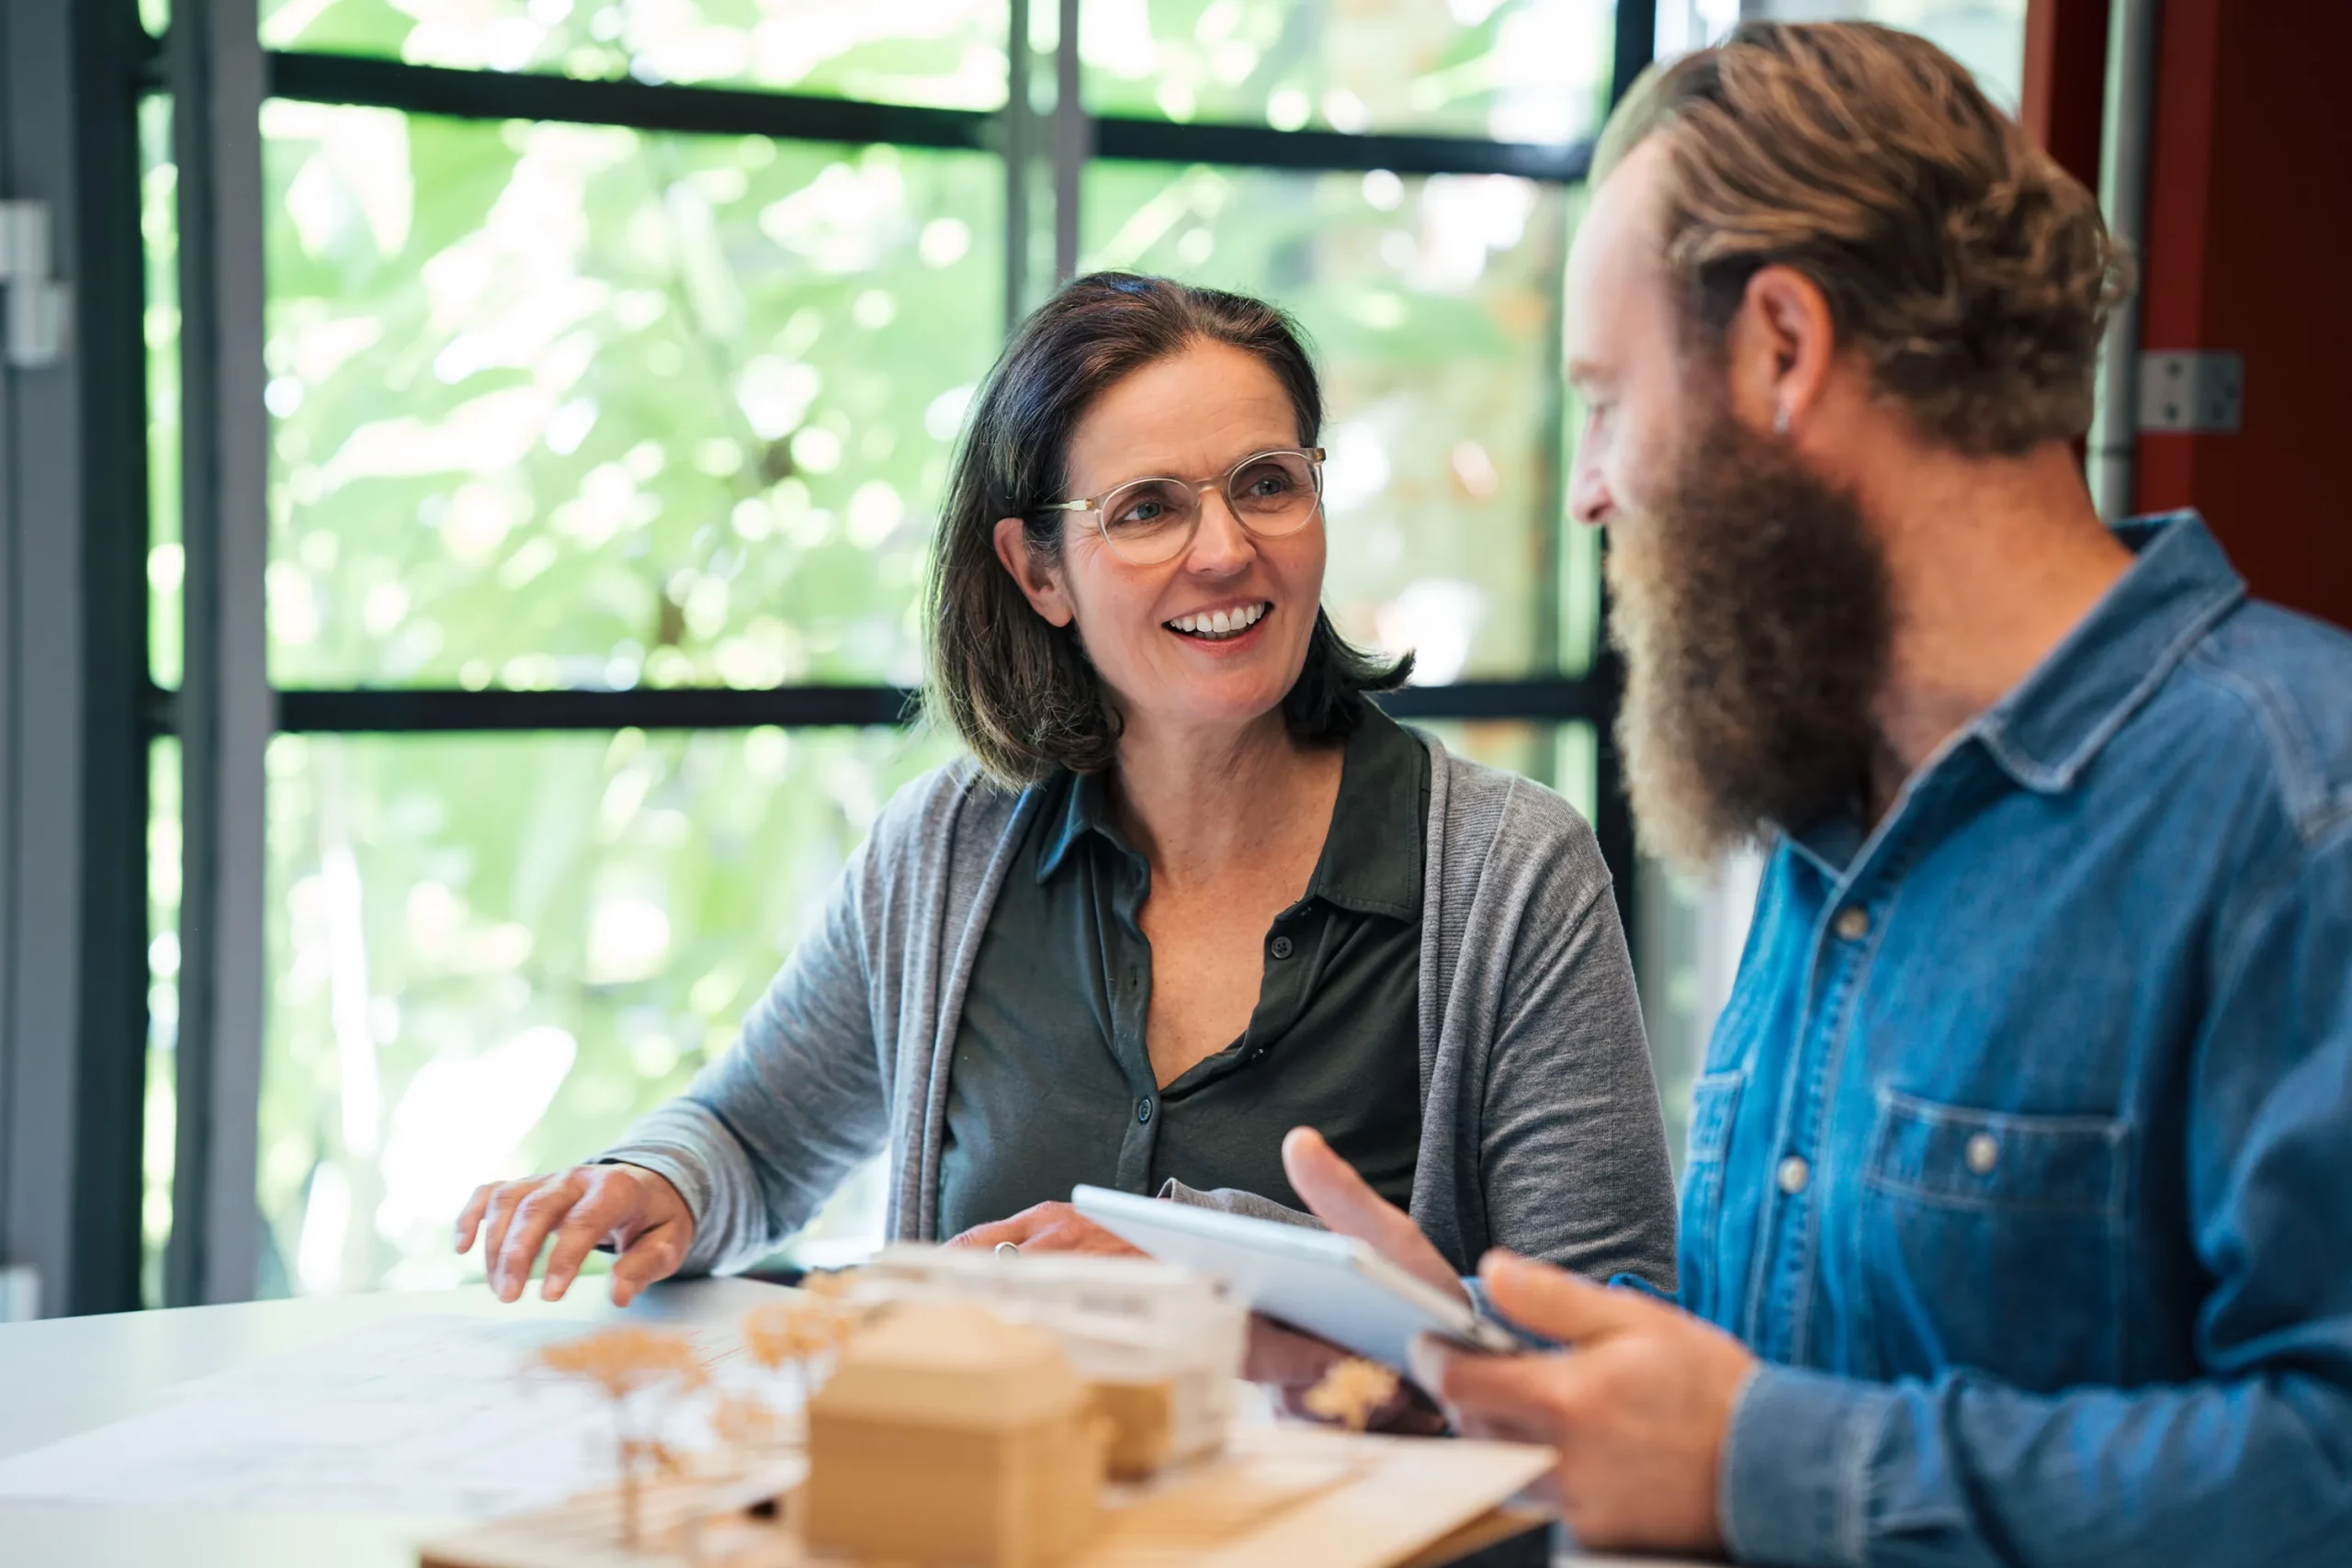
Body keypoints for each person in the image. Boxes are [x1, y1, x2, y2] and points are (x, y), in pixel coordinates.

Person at [1281, 20, 2352, 1565]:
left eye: (1605, 397)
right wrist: (1475, 1345)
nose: (1589, 485)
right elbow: (1762, 1370)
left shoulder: (2293, 806)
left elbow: (2325, 1466)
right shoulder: (1818, 816)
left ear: (1783, 347)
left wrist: (1758, 1466)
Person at [455, 274, 1679, 1316]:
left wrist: (1218, 1270)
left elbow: (1606, 1318)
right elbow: (754, 1135)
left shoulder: (1512, 872)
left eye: (1266, 482)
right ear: (1039, 570)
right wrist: (654, 1184)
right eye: (1146, 508)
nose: (1223, 550)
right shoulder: (944, 852)